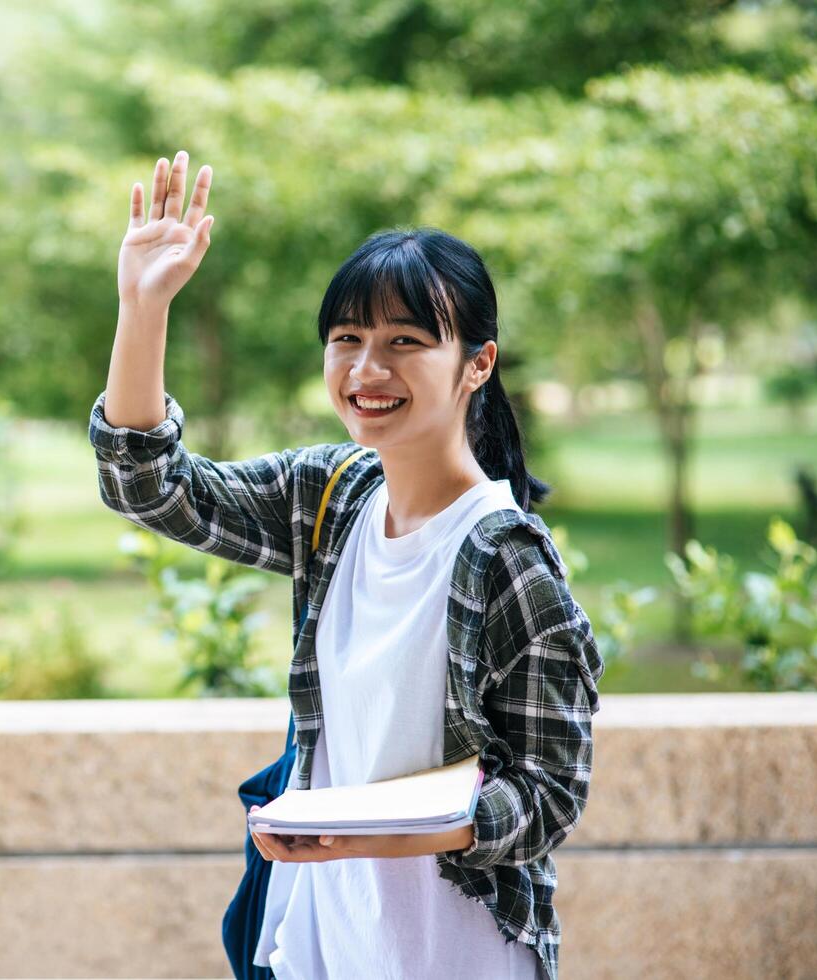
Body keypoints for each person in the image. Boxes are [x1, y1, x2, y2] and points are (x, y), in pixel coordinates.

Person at [88, 150, 605, 980]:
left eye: (405, 342)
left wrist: (394, 828)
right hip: (318, 941)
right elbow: (151, 489)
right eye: (346, 339)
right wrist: (141, 306)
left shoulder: (504, 558)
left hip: (449, 950)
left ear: (477, 363)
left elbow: (548, 793)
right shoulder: (330, 496)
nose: (367, 370)